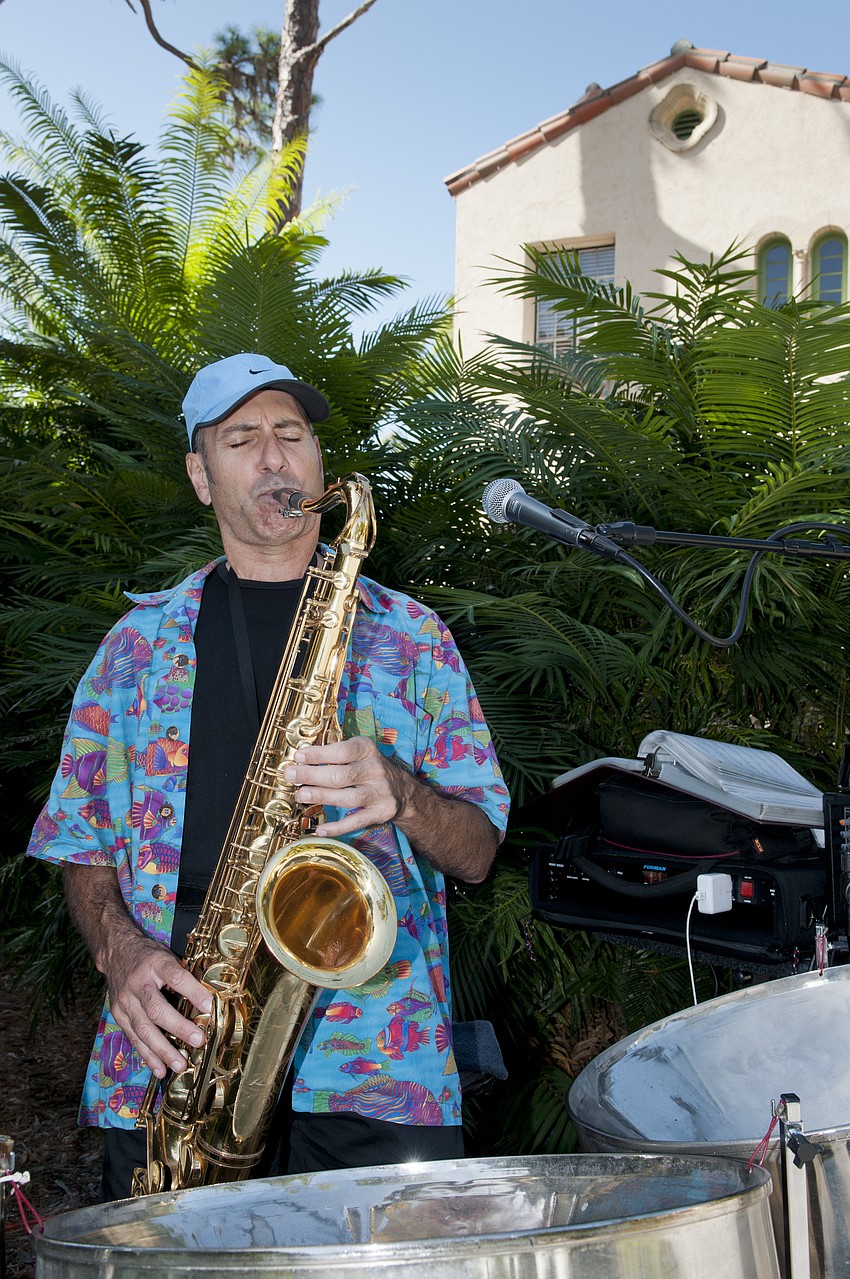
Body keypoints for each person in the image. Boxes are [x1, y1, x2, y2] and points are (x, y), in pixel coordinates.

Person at [26, 353, 510, 1200]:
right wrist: (120, 950)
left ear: (321, 462)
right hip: (175, 1057)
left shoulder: (415, 635)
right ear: (200, 476)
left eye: (292, 434)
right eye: (241, 438)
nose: (275, 457)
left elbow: (476, 853)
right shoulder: (133, 651)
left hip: (377, 1064)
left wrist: (404, 792)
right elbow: (79, 844)